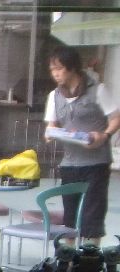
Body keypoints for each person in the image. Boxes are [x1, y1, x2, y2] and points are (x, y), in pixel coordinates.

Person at [44, 45, 119, 246]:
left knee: (93, 212)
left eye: (59, 68)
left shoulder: (98, 90)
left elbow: (116, 117)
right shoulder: (55, 96)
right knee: (70, 212)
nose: (55, 74)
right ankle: (68, 256)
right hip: (69, 163)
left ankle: (90, 256)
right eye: (52, 70)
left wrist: (104, 135)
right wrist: (51, 132)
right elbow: (52, 124)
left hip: (96, 163)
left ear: (72, 68)